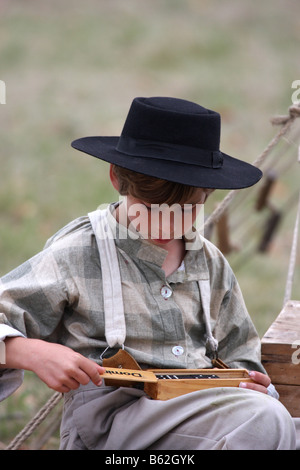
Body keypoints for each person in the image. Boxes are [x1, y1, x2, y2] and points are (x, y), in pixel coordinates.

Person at [0, 97, 297, 450]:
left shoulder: (211, 264)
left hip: (207, 415)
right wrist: (32, 352)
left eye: (185, 210)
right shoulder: (79, 252)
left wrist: (255, 383)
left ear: (209, 194)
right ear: (117, 179)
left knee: (276, 421)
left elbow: (241, 357)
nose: (165, 222)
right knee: (265, 420)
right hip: (114, 427)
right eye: (150, 208)